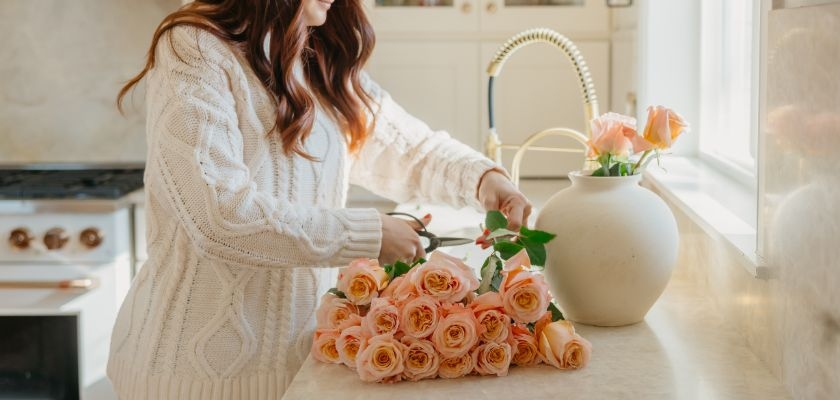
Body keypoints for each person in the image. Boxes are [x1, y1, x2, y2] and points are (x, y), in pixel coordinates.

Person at [107, 0, 531, 398]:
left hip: (302, 370)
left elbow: (409, 150)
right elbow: (219, 216)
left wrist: (486, 181)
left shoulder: (316, 56)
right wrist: (369, 232)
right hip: (189, 379)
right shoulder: (194, 45)